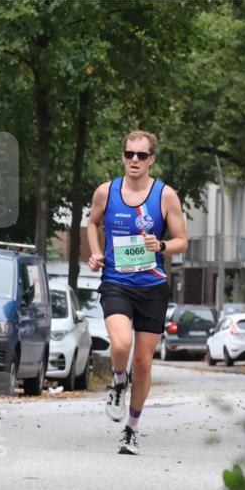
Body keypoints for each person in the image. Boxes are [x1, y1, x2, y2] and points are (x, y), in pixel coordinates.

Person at [86, 130, 187, 455]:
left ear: (151, 159)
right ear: (123, 156)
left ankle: (132, 428)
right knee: (121, 343)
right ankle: (118, 381)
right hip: (116, 281)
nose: (134, 160)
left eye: (141, 156)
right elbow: (91, 222)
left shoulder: (165, 195)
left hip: (152, 286)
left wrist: (161, 245)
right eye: (129, 154)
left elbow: (182, 241)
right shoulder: (106, 191)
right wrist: (95, 252)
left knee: (143, 363)